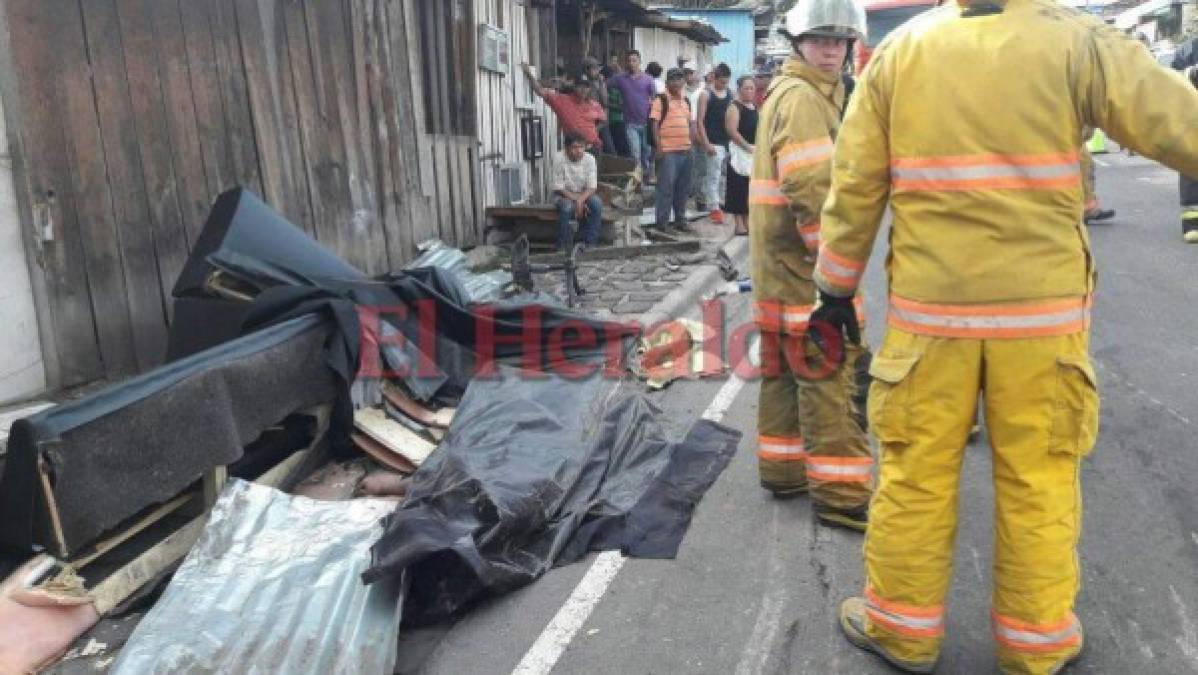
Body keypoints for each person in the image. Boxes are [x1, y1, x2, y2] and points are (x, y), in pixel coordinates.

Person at [806, 0, 1198, 671]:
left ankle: (902, 628)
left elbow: (855, 181)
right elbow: (1180, 124)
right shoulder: (1077, 40)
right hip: (1040, 321)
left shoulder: (901, 51)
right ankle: (1035, 642)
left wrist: (835, 289)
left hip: (930, 319)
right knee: (1039, 475)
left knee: (915, 472)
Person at [748, 0, 872, 531]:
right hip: (806, 274)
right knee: (828, 374)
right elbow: (814, 191)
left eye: (840, 42)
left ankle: (784, 470)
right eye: (821, 40)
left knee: (782, 371)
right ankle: (842, 494)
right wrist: (835, 279)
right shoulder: (803, 99)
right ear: (798, 43)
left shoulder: (800, 93)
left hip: (778, 267)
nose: (831, 50)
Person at [649, 68, 696, 232]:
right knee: (665, 189)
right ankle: (662, 224)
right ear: (667, 82)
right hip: (668, 152)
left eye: (679, 79)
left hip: (686, 151)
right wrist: (659, 148)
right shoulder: (660, 100)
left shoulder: (686, 101)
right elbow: (654, 124)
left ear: (684, 82)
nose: (676, 82)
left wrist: (691, 144)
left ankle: (680, 221)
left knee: (683, 189)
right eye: (673, 79)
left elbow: (690, 124)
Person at [520, 64, 606, 150]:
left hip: (593, 146)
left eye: (586, 87)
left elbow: (603, 120)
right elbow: (540, 91)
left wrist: (595, 130)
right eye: (580, 86)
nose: (583, 89)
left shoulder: (595, 104)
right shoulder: (562, 100)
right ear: (574, 87)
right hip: (574, 150)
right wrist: (529, 74)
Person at [609, 50, 657, 181]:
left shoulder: (648, 79)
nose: (631, 63)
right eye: (629, 60)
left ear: (640, 62)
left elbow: (654, 99)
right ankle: (639, 182)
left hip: (646, 123)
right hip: (630, 123)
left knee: (645, 153)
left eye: (634, 60)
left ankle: (646, 176)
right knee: (635, 154)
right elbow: (605, 84)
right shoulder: (620, 78)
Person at [696, 63, 734, 225]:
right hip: (713, 141)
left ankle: (720, 202)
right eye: (722, 82)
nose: (724, 85)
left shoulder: (730, 94)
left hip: (728, 142)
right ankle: (714, 207)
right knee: (713, 175)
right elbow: (699, 121)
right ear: (714, 79)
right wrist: (706, 143)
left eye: (726, 82)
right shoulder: (706, 95)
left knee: (724, 176)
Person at [551, 133, 602, 251]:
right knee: (567, 207)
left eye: (581, 147)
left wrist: (580, 200)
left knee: (596, 204)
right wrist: (577, 201)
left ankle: (590, 243)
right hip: (563, 195)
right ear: (567, 148)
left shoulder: (589, 159)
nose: (578, 151)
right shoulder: (559, 158)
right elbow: (559, 187)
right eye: (574, 147)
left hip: (584, 194)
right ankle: (562, 246)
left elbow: (592, 187)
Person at [723, 75, 757, 236]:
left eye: (752, 88)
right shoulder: (734, 107)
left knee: (750, 189)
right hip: (739, 152)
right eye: (746, 88)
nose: (750, 91)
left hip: (753, 152)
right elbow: (732, 131)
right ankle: (739, 224)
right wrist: (747, 147)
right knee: (738, 188)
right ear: (739, 89)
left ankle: (748, 221)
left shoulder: (754, 107)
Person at [685, 65, 709, 210]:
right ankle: (691, 193)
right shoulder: (681, 91)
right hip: (686, 127)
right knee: (690, 163)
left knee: (703, 166)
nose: (688, 76)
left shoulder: (704, 91)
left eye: (690, 73)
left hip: (702, 127)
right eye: (686, 73)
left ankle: (701, 197)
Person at [583, 57, 616, 155]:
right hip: (588, 121)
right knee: (590, 149)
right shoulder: (583, 84)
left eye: (597, 68)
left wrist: (601, 84)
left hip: (601, 121)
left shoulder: (600, 83)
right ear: (586, 70)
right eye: (594, 69)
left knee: (610, 149)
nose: (597, 71)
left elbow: (605, 101)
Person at [601, 64, 630, 157]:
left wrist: (607, 104)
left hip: (617, 121)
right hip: (607, 122)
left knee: (620, 147)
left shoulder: (617, 90)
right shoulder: (601, 88)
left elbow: (622, 107)